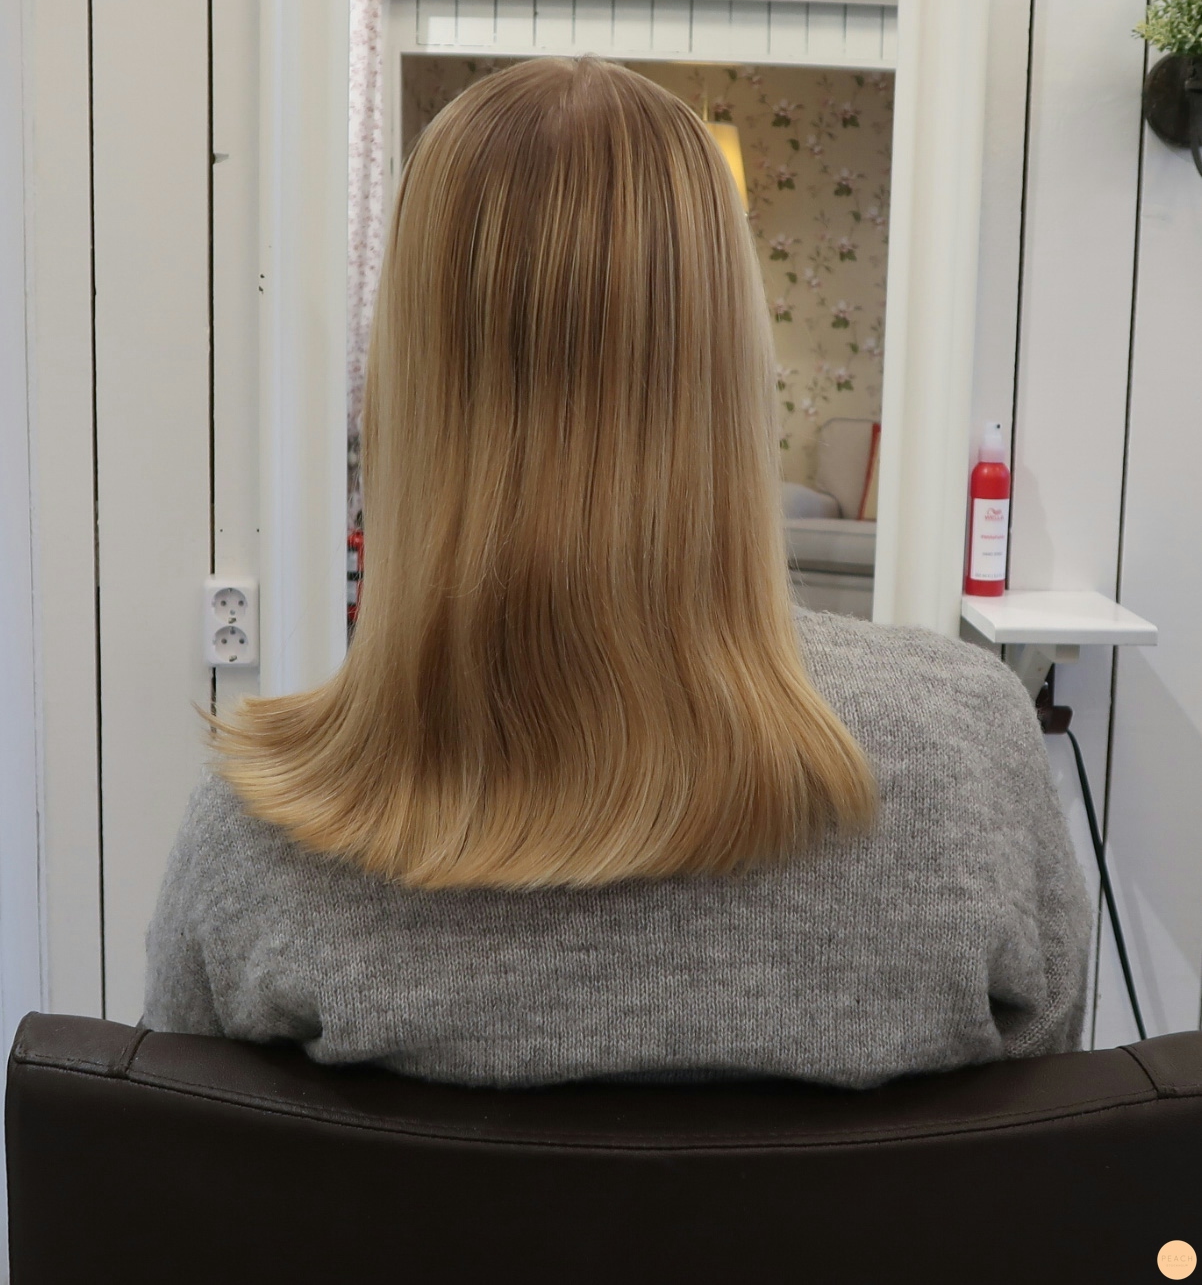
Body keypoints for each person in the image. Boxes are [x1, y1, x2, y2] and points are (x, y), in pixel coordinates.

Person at [144, 57, 1091, 1088]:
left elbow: (183, 1161)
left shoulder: (264, 836)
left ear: (412, 379)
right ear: (729, 359)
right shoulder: (965, 756)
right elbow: (1039, 1136)